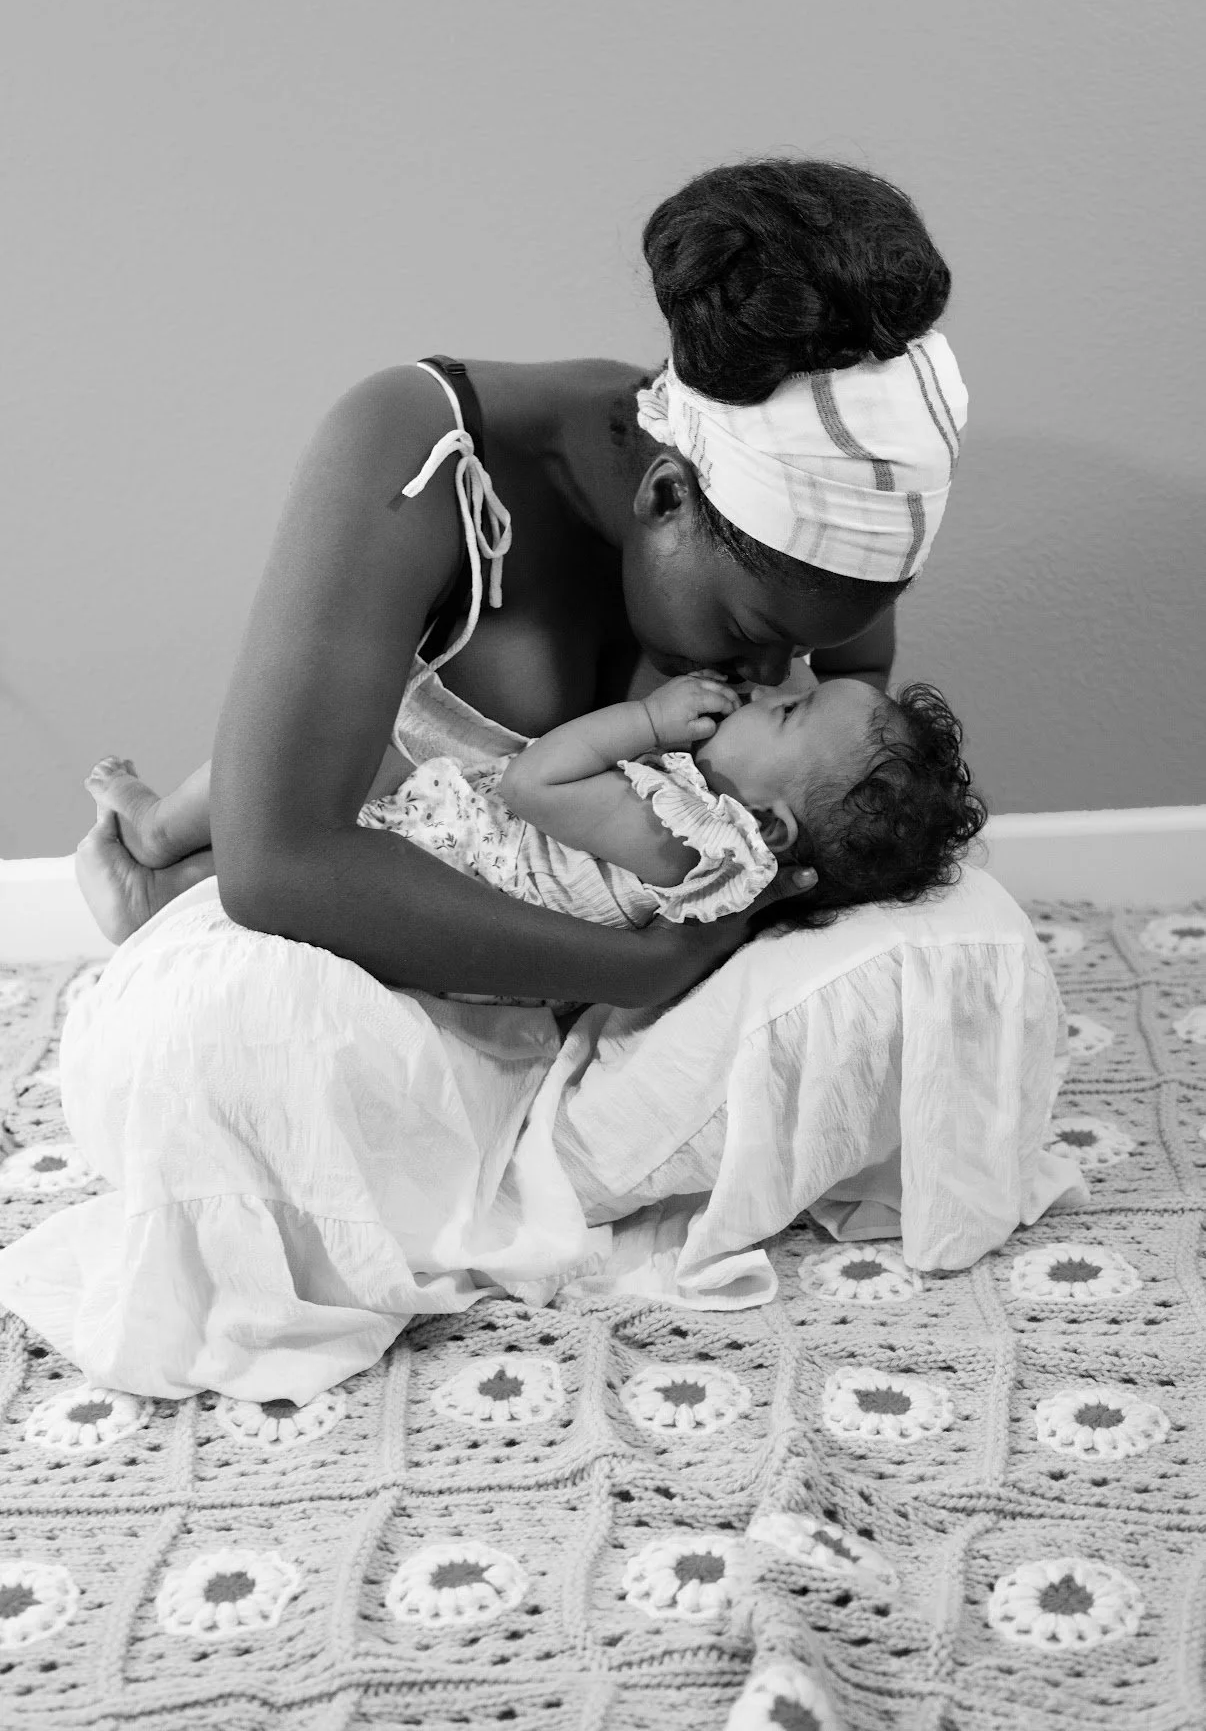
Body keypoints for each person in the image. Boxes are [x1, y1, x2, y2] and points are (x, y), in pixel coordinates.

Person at [0, 157, 1077, 1405]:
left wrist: (748, 906)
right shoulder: (425, 447)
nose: (788, 666)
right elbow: (283, 859)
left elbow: (839, 797)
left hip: (625, 1004)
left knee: (973, 948)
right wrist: (648, 967)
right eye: (757, 629)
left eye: (824, 643)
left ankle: (489, 1172)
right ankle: (512, 1165)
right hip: (414, 956)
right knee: (196, 1048)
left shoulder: (805, 580)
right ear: (667, 494)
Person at [78, 661, 985, 990]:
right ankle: (164, 898)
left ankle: (159, 836)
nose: (769, 693)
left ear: (773, 827)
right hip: (451, 872)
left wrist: (652, 722)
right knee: (305, 828)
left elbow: (535, 784)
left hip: (446, 859)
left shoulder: (680, 845)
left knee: (313, 744)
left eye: (789, 715)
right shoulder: (716, 869)